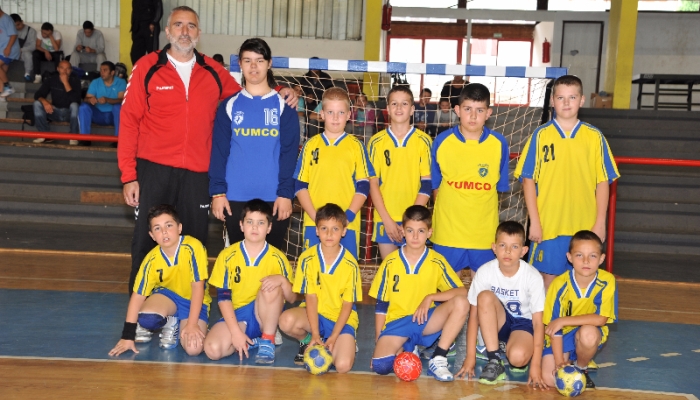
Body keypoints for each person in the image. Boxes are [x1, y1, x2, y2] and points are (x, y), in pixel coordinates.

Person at [119, 6, 296, 295]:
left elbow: (250, 92)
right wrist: (129, 175)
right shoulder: (146, 67)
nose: (184, 31)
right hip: (154, 168)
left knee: (194, 243)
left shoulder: (213, 71)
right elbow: (128, 122)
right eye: (178, 25)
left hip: (198, 173)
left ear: (199, 33)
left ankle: (191, 308)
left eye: (191, 26)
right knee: (148, 238)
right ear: (167, 31)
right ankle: (141, 307)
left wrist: (282, 92)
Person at [514, 75, 620, 290]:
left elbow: (603, 182)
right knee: (547, 281)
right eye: (561, 97)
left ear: (582, 100)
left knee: (582, 281)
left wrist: (600, 222)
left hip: (584, 225)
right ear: (552, 101)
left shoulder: (594, 137)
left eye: (572, 97)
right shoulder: (540, 135)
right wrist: (535, 221)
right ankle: (546, 315)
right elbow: (527, 180)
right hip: (549, 225)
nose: (566, 103)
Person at [210, 38, 299, 251]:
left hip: (274, 197)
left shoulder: (284, 106)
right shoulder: (229, 106)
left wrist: (286, 193)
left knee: (271, 263)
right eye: (248, 60)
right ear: (239, 64)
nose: (253, 66)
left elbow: (289, 154)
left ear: (269, 64)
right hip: (235, 197)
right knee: (239, 261)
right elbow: (219, 152)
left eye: (259, 60)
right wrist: (218, 193)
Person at [369, 205, 467, 382]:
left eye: (421, 231)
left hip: (424, 320)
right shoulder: (390, 262)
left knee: (461, 302)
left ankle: (438, 357)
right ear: (402, 231)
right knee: (381, 366)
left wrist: (430, 297)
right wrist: (379, 339)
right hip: (396, 322)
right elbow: (381, 305)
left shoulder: (437, 261)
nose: (415, 236)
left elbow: (462, 291)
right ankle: (409, 347)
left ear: (429, 232)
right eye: (410, 230)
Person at [108, 204, 211, 357]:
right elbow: (138, 297)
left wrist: (192, 324)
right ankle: (170, 320)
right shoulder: (151, 260)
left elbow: (198, 287)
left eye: (169, 225)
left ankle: (179, 323)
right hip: (166, 299)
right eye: (157, 228)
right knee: (148, 318)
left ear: (179, 227)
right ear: (152, 236)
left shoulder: (193, 247)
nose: (164, 232)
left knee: (193, 349)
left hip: (193, 301)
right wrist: (127, 336)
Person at [431, 83, 509, 279]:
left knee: (483, 291)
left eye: (479, 110)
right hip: (448, 233)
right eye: (467, 109)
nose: (473, 116)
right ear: (457, 110)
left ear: (488, 113)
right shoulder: (442, 142)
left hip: (483, 234)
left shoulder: (499, 144)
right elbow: (435, 187)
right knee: (448, 290)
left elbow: (498, 189)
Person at [204, 199, 296, 364]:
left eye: (261, 223)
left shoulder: (278, 258)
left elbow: (292, 298)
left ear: (269, 227)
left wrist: (282, 281)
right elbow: (223, 298)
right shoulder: (227, 256)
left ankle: (267, 338)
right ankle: (253, 341)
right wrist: (235, 333)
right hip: (238, 315)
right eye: (250, 222)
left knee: (271, 286)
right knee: (213, 350)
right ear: (241, 225)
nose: (254, 227)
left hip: (264, 315)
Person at [456, 221, 547, 387]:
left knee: (518, 359)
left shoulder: (532, 277)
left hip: (523, 324)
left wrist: (536, 365)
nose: (507, 251)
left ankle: (516, 346)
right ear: (494, 247)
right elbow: (473, 316)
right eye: (503, 245)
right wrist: (470, 357)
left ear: (523, 251)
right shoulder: (485, 271)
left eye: (514, 247)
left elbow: (538, 323)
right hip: (498, 320)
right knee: (484, 296)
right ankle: (495, 360)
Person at [278, 203, 362, 373]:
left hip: (341, 319)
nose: (329, 234)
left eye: (335, 229)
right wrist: (315, 334)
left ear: (344, 231)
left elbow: (348, 305)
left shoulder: (351, 264)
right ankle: (309, 340)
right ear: (317, 230)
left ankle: (343, 341)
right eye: (324, 228)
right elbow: (311, 297)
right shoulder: (306, 259)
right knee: (285, 321)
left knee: (342, 366)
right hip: (315, 316)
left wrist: (334, 336)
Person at [293, 87, 375, 259]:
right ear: (322, 114)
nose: (335, 117)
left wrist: (347, 217)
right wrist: (317, 218)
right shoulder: (310, 145)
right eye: (330, 112)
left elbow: (363, 186)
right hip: (314, 223)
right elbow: (300, 185)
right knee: (312, 269)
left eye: (340, 112)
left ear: (349, 115)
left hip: (347, 226)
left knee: (346, 270)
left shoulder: (356, 146)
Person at [540, 230, 617, 390]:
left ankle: (581, 367)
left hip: (587, 332)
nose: (586, 261)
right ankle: (568, 360)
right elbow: (554, 328)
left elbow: (601, 318)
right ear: (569, 257)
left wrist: (563, 320)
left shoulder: (607, 281)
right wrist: (560, 362)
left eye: (592, 256)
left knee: (589, 334)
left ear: (601, 259)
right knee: (549, 379)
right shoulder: (559, 285)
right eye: (579, 255)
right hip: (561, 335)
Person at [368, 85, 432, 260]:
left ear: (412, 109)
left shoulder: (424, 141)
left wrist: (411, 221)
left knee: (413, 271)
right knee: (390, 269)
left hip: (415, 219)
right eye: (394, 103)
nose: (399, 107)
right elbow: (373, 183)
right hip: (385, 218)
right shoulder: (376, 142)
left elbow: (427, 184)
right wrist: (387, 220)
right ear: (388, 109)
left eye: (404, 103)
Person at [77, 61, 126, 146]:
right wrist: (90, 99)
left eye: (105, 70)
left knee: (118, 107)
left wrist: (107, 100)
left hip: (113, 116)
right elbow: (86, 99)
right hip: (98, 115)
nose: (102, 72)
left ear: (112, 72)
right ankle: (85, 139)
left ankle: (118, 140)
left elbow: (122, 100)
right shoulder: (95, 82)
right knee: (83, 107)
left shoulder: (121, 82)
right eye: (101, 70)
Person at [32, 60, 81, 144]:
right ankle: (44, 134)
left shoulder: (75, 81)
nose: (65, 71)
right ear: (58, 69)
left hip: (69, 113)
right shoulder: (52, 79)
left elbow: (76, 100)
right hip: (54, 111)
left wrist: (65, 82)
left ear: (71, 70)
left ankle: (73, 136)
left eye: (67, 69)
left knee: (74, 105)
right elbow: (38, 95)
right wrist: (45, 102)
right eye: (62, 68)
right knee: (37, 103)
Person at [10, 13, 36, 83]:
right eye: (14, 26)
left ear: (22, 21)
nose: (17, 27)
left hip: (24, 53)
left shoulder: (31, 31)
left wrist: (21, 50)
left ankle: (27, 74)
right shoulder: (10, 31)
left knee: (28, 55)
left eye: (18, 24)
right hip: (12, 53)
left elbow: (34, 46)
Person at [0, 8, 19, 97]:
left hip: (9, 49)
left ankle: (8, 87)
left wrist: (8, 47)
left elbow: (14, 34)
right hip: (2, 49)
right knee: (2, 73)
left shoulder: (7, 19)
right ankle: (2, 91)